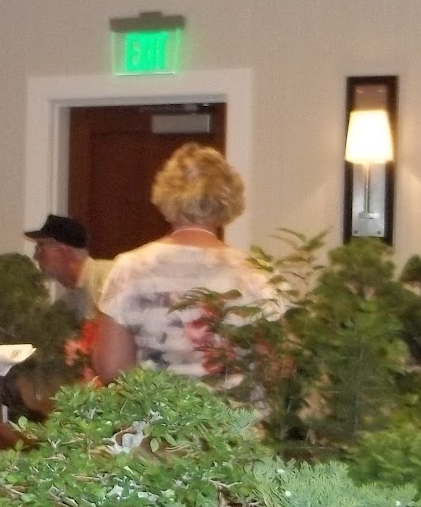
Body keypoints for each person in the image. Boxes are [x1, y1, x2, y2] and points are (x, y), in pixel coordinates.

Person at [94, 144, 281, 381]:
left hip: (157, 416)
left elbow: (112, 367)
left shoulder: (130, 268)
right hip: (234, 416)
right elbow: (274, 367)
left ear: (165, 195)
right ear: (228, 200)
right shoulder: (254, 273)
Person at [25, 214, 116, 322]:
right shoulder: (69, 302)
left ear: (64, 251)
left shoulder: (110, 278)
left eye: (41, 247)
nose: (35, 256)